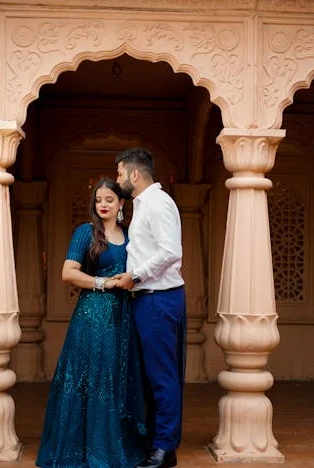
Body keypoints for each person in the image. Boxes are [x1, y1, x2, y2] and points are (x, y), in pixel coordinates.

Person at [36, 177, 146, 468]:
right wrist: (101, 283)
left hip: (123, 317)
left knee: (114, 378)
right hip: (91, 315)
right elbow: (68, 272)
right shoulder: (86, 232)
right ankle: (83, 449)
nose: (103, 205)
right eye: (99, 200)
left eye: (109, 200)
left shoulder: (130, 235)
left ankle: (113, 446)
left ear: (121, 203)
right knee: (89, 378)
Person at [113, 148, 186, 468]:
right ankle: (157, 442)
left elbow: (171, 251)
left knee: (162, 376)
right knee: (151, 375)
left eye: (119, 174)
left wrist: (136, 275)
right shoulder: (142, 205)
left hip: (158, 297)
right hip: (147, 299)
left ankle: (165, 448)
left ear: (134, 175)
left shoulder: (157, 203)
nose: (117, 180)